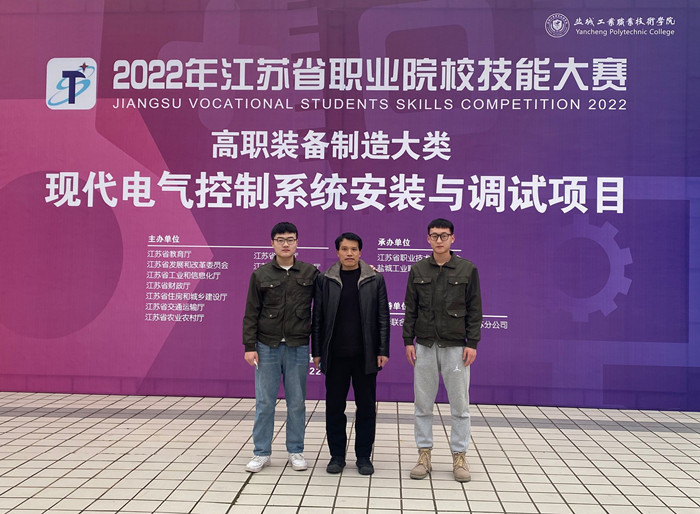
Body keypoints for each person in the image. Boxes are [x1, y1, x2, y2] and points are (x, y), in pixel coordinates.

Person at [403, 218, 482, 482]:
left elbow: (475, 310)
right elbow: (411, 309)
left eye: (444, 235)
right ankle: (424, 454)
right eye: (434, 236)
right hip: (424, 345)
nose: (439, 240)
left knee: (460, 406)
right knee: (422, 404)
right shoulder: (418, 269)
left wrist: (472, 343)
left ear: (452, 238)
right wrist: (408, 341)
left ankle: (459, 456)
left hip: (456, 347)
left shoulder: (467, 269)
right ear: (427, 239)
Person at [242, 222, 318, 473]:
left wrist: (366, 268)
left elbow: (332, 288)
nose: (286, 244)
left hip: (298, 346)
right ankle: (261, 452)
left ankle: (296, 451)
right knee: (265, 402)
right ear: (272, 243)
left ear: (297, 242)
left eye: (290, 239)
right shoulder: (261, 275)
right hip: (267, 346)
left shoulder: (310, 273)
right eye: (280, 240)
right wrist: (249, 345)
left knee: (297, 403)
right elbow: (251, 313)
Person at [312, 232, 390, 476]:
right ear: (337, 252)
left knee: (366, 408)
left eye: (354, 249)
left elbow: (383, 317)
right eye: (344, 249)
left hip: (365, 356)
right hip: (335, 356)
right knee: (335, 408)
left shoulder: (374, 279)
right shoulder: (325, 279)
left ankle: (364, 457)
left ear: (360, 252)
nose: (349, 253)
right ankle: (337, 456)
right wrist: (317, 351)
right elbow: (318, 317)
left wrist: (383, 350)